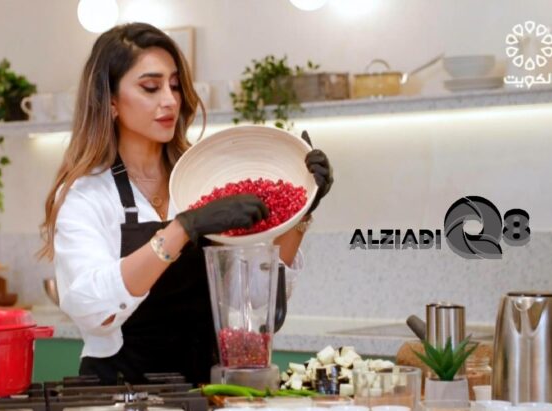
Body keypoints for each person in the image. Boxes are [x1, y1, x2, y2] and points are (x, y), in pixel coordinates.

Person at [38, 22, 333, 385]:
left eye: (175, 86)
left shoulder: (199, 184)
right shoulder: (87, 194)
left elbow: (254, 304)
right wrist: (182, 229)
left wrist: (302, 212)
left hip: (204, 393)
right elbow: (93, 311)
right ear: (110, 101)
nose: (170, 100)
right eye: (151, 87)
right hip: (118, 397)